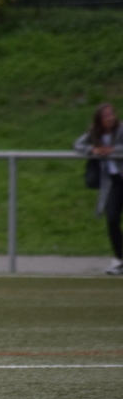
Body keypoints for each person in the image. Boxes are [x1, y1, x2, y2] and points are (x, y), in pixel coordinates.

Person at [74, 103, 123, 275]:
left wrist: (113, 150)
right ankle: (120, 258)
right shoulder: (94, 133)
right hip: (113, 182)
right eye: (106, 116)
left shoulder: (121, 130)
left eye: (111, 114)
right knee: (112, 219)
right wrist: (92, 150)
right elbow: (77, 145)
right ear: (99, 119)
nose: (110, 118)